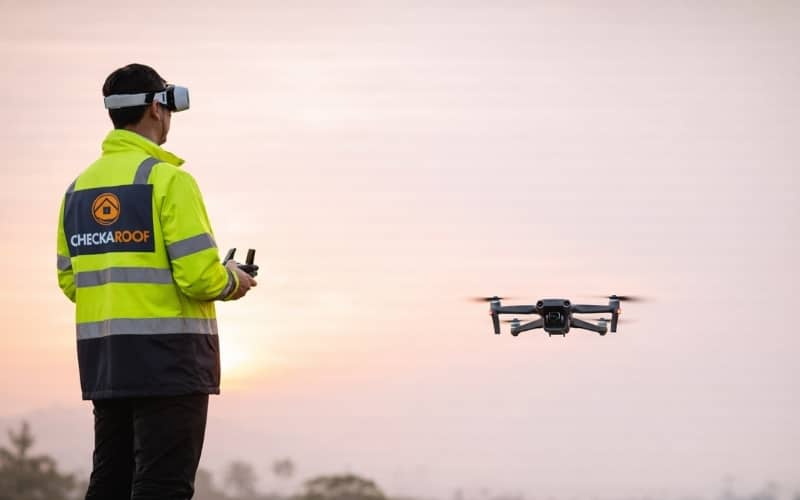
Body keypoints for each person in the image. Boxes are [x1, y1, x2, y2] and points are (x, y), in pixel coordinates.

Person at [55, 63, 257, 499]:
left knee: (110, 480)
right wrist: (232, 280)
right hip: (169, 363)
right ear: (155, 109)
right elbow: (199, 277)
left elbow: (71, 281)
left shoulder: (78, 189)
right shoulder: (168, 180)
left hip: (106, 359)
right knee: (163, 484)